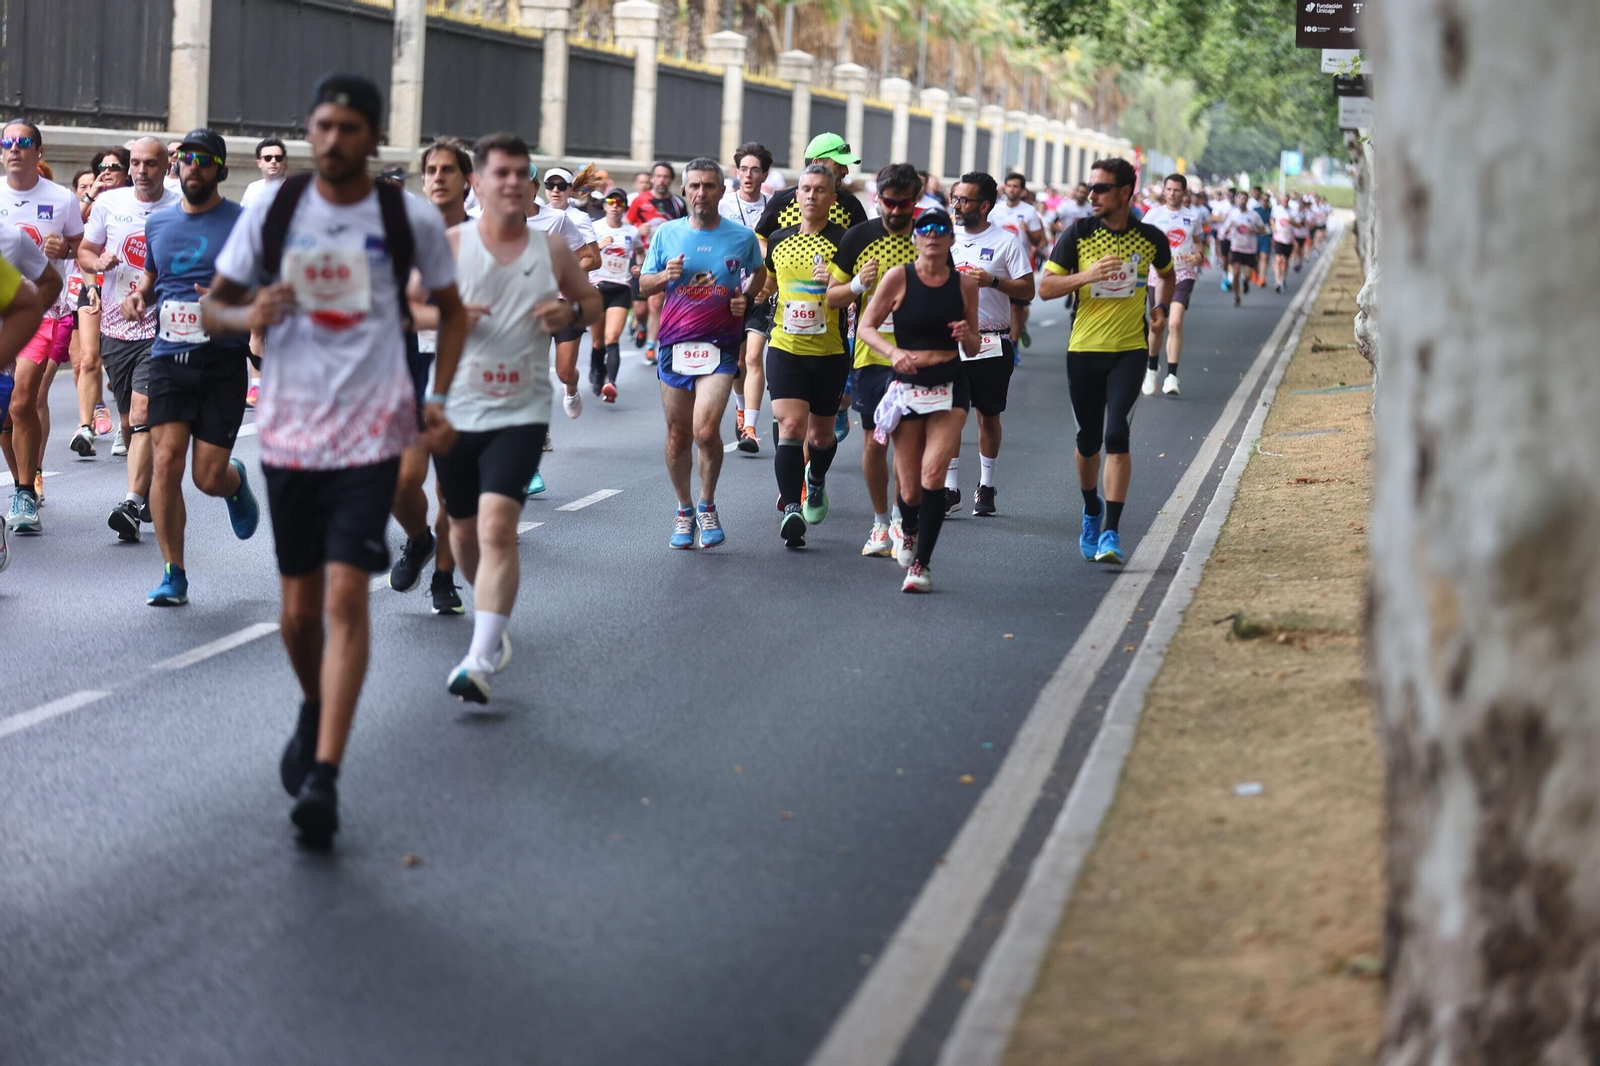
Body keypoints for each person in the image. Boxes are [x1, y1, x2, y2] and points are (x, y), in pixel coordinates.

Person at [204, 73, 468, 848]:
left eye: (347, 129)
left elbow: (449, 316)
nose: (330, 141)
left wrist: (441, 396)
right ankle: (315, 703)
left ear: (373, 138)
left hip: (371, 433)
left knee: (347, 599)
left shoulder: (405, 215)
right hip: (288, 437)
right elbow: (216, 303)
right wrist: (247, 310)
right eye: (321, 126)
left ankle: (324, 775)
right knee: (296, 614)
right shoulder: (276, 209)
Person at [432, 132, 601, 702]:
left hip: (522, 406)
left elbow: (592, 302)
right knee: (462, 532)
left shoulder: (549, 249)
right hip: (459, 405)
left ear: (530, 187)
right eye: (498, 174)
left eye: (520, 174)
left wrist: (569, 310)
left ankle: (481, 653)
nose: (511, 183)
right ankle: (491, 621)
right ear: (477, 184)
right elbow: (407, 303)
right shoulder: (451, 246)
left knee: (498, 525)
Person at [121, 129, 260, 605]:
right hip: (167, 357)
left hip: (221, 361)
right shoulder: (159, 224)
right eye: (186, 158)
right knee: (165, 462)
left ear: (219, 169)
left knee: (206, 477)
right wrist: (138, 295)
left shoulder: (243, 224)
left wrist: (231, 300)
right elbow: (152, 278)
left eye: (203, 159)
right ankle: (173, 573)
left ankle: (233, 482)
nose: (193, 166)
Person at [1038, 157, 1175, 566]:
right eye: (1090, 187)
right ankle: (1091, 508)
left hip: (1130, 351)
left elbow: (1165, 275)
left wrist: (1160, 308)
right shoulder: (1076, 234)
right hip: (1083, 351)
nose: (1092, 194)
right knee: (1088, 441)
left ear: (1125, 192)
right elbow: (1044, 288)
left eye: (1101, 188)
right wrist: (1087, 276)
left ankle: (1112, 532)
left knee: (1116, 435)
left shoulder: (1150, 237)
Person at [638, 157, 764, 549]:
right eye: (694, 186)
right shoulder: (666, 235)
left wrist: (747, 297)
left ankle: (707, 504)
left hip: (720, 346)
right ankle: (684, 510)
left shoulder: (741, 237)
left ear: (720, 191)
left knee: (705, 430)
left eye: (709, 186)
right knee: (677, 435)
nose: (701, 193)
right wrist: (664, 277)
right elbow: (642, 284)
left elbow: (759, 272)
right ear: (684, 190)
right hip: (675, 345)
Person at [855, 207, 980, 593]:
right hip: (908, 385)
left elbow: (975, 347)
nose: (932, 236)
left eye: (940, 229)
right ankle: (907, 529)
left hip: (950, 385)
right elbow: (865, 327)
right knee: (908, 489)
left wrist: (965, 335)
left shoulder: (965, 285)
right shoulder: (898, 278)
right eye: (925, 229)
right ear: (916, 238)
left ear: (950, 239)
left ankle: (921, 566)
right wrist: (893, 354)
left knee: (932, 476)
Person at [79, 137, 182, 542]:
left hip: (163, 325)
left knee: (141, 412)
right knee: (129, 421)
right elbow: (85, 251)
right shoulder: (110, 204)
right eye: (136, 163)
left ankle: (131, 501)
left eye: (150, 163)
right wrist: (97, 261)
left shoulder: (179, 205)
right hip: (116, 328)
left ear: (165, 166)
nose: (142, 170)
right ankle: (146, 489)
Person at [391, 137, 471, 615]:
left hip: (464, 376)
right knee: (401, 481)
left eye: (448, 170)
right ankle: (418, 539)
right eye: (431, 170)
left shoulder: (485, 240)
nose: (438, 178)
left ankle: (443, 577)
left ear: (467, 181)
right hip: (407, 369)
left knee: (450, 488)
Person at [825, 162, 921, 554]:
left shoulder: (929, 236)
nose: (897, 211)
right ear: (876, 199)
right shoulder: (857, 237)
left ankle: (901, 520)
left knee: (907, 442)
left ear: (915, 201)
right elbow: (831, 297)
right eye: (890, 203)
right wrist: (856, 284)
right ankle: (880, 523)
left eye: (905, 204)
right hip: (871, 356)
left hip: (918, 357)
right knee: (874, 442)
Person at [763, 164, 849, 548]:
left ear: (833, 198)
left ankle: (815, 481)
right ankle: (791, 509)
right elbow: (766, 285)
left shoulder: (846, 241)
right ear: (796, 196)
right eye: (805, 189)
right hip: (785, 346)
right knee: (791, 427)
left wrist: (836, 283)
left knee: (821, 434)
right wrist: (745, 297)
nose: (811, 195)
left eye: (819, 190)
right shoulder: (779, 240)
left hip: (830, 351)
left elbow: (862, 291)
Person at [1, 119, 81, 523]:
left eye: (23, 141)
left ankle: (24, 492)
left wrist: (65, 247)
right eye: (8, 142)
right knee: (4, 411)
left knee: (23, 399)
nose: (15, 148)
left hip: (41, 310)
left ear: (39, 151)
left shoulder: (62, 199)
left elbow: (82, 251)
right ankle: (23, 482)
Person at [949, 171, 1035, 516]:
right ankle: (950, 489)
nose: (957, 205)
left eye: (964, 200)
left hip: (992, 340)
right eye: (954, 198)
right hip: (951, 340)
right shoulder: (943, 239)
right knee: (951, 416)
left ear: (984, 205)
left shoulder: (1006, 242)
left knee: (987, 416)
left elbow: (1027, 290)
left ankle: (986, 486)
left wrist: (993, 281)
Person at [719, 141, 772, 453]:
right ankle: (741, 411)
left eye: (755, 170)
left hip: (762, 291)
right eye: (743, 169)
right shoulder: (724, 205)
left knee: (753, 357)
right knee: (738, 362)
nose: (748, 175)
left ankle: (750, 428)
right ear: (736, 172)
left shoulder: (774, 206)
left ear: (765, 174)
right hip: (732, 292)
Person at [540, 165, 601, 422]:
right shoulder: (532, 214)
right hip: (538, 301)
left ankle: (572, 388)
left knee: (564, 371)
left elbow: (594, 260)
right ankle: (541, 432)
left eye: (561, 185)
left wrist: (564, 272)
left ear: (570, 190)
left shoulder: (579, 219)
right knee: (535, 371)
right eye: (550, 185)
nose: (555, 190)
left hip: (568, 301)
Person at [1140, 173, 1206, 396]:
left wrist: (1199, 255)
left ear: (1184, 192)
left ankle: (1172, 377)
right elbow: (1140, 242)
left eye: (1177, 190)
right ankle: (1151, 369)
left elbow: (1198, 242)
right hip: (1157, 275)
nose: (1172, 194)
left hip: (1182, 274)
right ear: (1163, 190)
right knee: (1157, 324)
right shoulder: (1153, 215)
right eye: (1169, 189)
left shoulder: (1193, 216)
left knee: (1175, 323)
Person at [626, 162, 687, 364]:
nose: (661, 180)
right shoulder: (640, 201)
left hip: (664, 259)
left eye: (665, 177)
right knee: (641, 309)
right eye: (658, 176)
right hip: (642, 256)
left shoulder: (678, 204)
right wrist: (637, 229)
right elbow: (625, 226)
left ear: (671, 180)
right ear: (653, 178)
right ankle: (641, 326)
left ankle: (652, 346)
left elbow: (685, 229)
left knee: (655, 303)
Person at [586, 188, 638, 402]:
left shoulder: (632, 231)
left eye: (620, 202)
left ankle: (611, 383)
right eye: (611, 201)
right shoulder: (593, 227)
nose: (615, 205)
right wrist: (598, 246)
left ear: (624, 207)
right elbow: (580, 253)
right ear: (605, 205)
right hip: (597, 287)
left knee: (612, 337)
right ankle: (598, 372)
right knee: (598, 341)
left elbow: (641, 251)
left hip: (620, 288)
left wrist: (639, 267)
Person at [989, 172, 1047, 347]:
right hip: (998, 263)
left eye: (1016, 186)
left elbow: (1040, 241)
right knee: (998, 304)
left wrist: (1027, 230)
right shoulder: (995, 209)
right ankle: (1007, 334)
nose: (1012, 189)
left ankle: (1013, 346)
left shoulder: (1029, 212)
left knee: (1017, 307)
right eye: (1010, 185)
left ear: (1022, 190)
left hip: (1018, 264)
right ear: (1004, 187)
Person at [1220, 190, 1266, 307]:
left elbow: (1263, 229)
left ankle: (1245, 282)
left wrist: (1254, 230)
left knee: (1248, 275)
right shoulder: (1232, 214)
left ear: (1247, 200)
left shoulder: (1254, 215)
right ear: (1237, 199)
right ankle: (1236, 296)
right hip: (1236, 247)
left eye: (1244, 198)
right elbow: (1224, 231)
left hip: (1250, 249)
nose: (1242, 200)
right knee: (1235, 274)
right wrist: (1229, 227)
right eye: (1240, 198)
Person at [240, 137, 288, 209]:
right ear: (259, 163)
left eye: (278, 158)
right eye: (267, 158)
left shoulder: (292, 189)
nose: (273, 161)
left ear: (284, 162)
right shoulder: (252, 190)